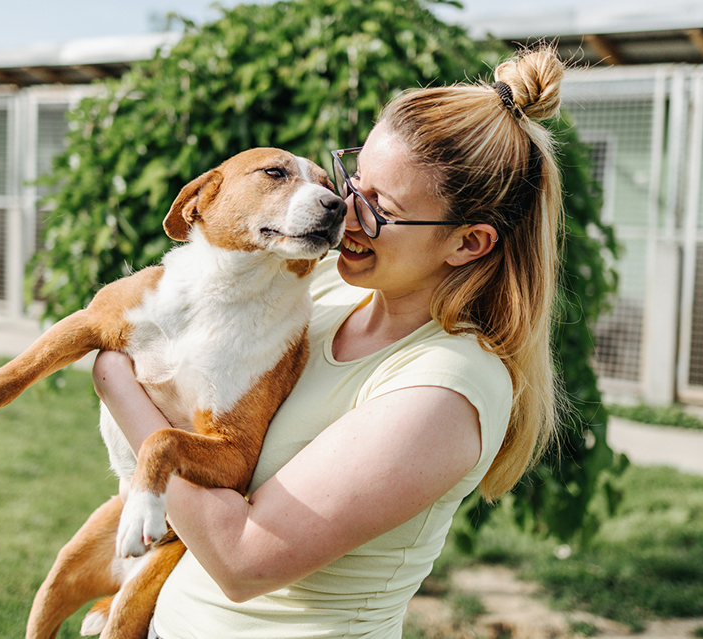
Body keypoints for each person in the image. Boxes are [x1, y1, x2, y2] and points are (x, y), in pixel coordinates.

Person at [94, 47, 566, 638]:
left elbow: (241, 561)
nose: (343, 210)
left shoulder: (442, 388)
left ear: (467, 244)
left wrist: (116, 383)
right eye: (353, 179)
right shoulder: (321, 291)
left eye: (381, 208)